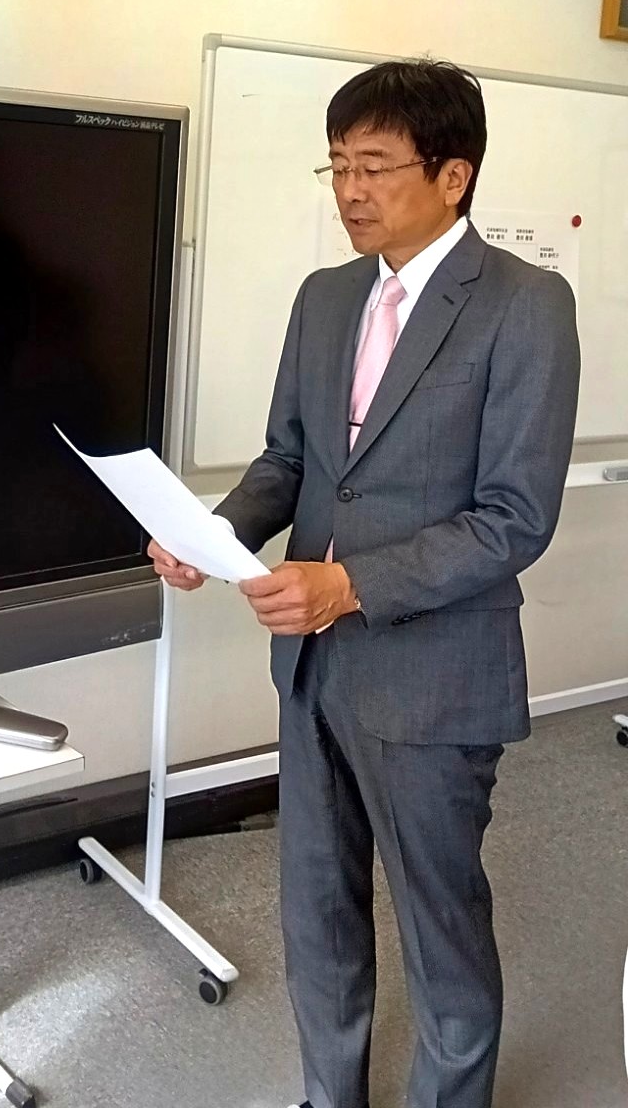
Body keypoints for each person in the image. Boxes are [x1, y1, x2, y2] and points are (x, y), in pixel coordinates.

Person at [150, 59, 580, 1108]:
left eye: (375, 166)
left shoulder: (525, 305)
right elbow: (290, 460)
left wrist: (346, 585)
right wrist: (214, 532)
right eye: (337, 165)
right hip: (310, 672)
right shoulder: (327, 296)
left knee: (441, 926)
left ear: (452, 175)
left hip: (437, 678)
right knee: (319, 910)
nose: (349, 189)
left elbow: (514, 518)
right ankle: (328, 1092)